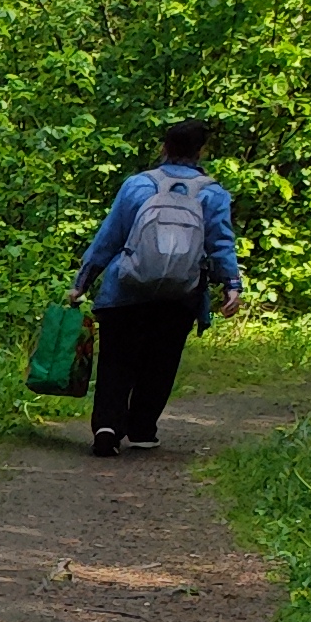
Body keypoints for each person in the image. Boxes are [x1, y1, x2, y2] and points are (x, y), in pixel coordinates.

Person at [71, 123, 241, 455]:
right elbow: (221, 244)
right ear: (202, 151)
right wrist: (231, 286)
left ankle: (107, 427)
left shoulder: (137, 185)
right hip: (180, 294)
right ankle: (142, 429)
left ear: (163, 146)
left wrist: (82, 283)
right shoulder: (212, 193)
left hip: (125, 289)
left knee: (116, 360)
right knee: (161, 361)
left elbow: (109, 237)